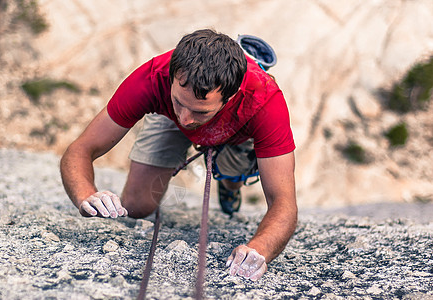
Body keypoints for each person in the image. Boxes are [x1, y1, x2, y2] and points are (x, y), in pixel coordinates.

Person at [60, 29, 297, 282]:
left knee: (230, 173)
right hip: (166, 119)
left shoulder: (265, 100)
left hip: (239, 127)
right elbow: (81, 149)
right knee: (137, 206)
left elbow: (284, 203)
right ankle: (202, 123)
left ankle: (230, 184)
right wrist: (85, 194)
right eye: (179, 101)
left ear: (231, 96)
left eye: (199, 111)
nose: (186, 119)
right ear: (172, 77)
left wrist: (258, 249)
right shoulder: (152, 78)